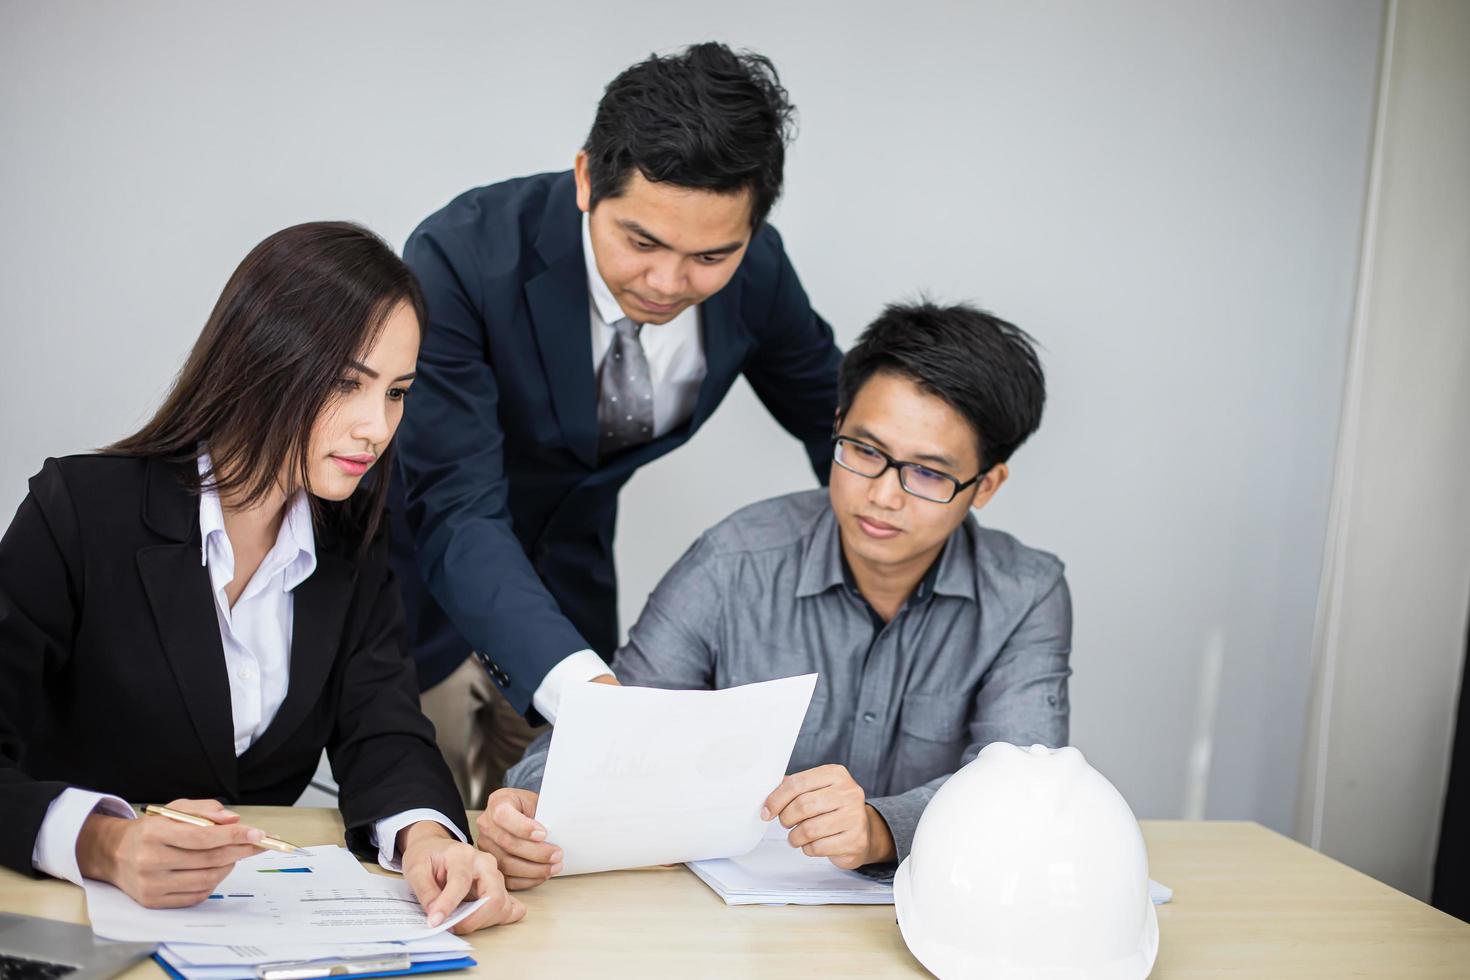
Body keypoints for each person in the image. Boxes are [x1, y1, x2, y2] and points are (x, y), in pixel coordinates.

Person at [0, 222, 522, 932]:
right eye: (347, 384)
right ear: (263, 361)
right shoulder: (82, 512)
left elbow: (385, 731)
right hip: (64, 919)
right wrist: (102, 842)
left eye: (397, 392)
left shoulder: (350, 538)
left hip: (259, 932)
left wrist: (427, 837)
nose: (376, 427)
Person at [477, 302, 1071, 887]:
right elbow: (616, 726)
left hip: (934, 916)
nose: (884, 495)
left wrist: (879, 829)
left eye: (928, 473)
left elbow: (1022, 781)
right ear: (836, 425)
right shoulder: (734, 561)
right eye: (865, 451)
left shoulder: (1026, 595)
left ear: (986, 485)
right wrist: (528, 806)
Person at [392, 41, 843, 807]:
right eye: (641, 242)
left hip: (575, 597)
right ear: (583, 181)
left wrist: (905, 541)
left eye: (710, 255)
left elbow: (836, 423)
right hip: (420, 595)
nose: (669, 284)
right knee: (433, 850)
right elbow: (455, 504)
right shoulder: (462, 257)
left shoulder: (759, 273)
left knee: (570, 855)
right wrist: (593, 698)